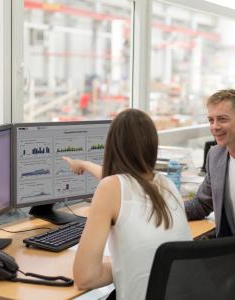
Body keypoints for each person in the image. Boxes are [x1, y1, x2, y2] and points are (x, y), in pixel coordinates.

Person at [63, 108, 192, 300]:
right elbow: (126, 184)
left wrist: (127, 266)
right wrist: (84, 164)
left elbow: (86, 278)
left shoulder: (110, 189)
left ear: (112, 146)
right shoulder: (168, 185)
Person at [184, 89, 235, 299]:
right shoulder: (216, 155)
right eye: (211, 120)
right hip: (234, 251)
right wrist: (160, 208)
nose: (214, 127)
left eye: (222, 119)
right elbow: (202, 204)